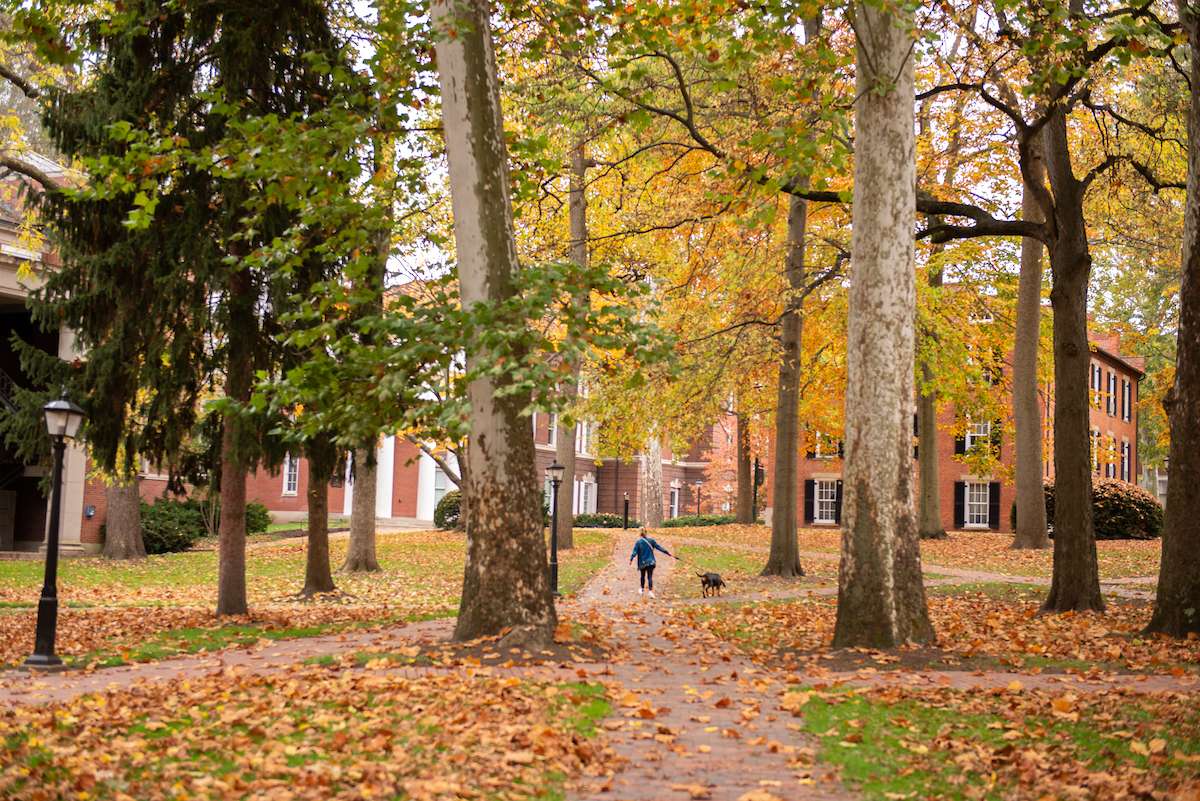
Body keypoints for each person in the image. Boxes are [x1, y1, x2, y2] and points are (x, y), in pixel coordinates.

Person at [629, 529, 675, 598]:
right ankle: (650, 591)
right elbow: (659, 547)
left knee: (642, 576)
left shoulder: (638, 542)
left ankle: (642, 589)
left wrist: (631, 559)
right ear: (646, 533)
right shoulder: (651, 541)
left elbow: (634, 552)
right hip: (651, 562)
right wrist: (668, 553)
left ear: (639, 533)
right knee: (650, 577)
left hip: (642, 563)